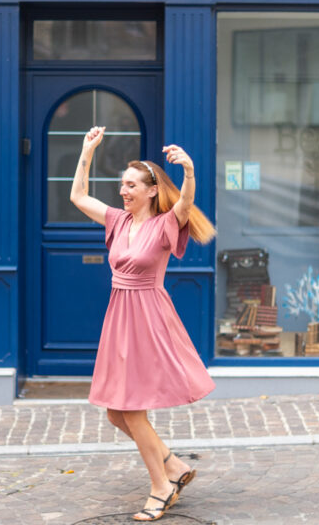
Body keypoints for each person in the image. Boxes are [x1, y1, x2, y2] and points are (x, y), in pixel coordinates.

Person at [70, 126, 217, 522]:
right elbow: (78, 196)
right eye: (122, 184)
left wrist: (188, 170)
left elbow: (185, 203)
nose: (124, 190)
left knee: (131, 409)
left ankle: (161, 486)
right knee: (115, 413)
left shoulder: (166, 224)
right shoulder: (117, 221)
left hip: (148, 316)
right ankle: (173, 465)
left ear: (152, 190)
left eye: (132, 185)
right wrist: (87, 151)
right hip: (119, 315)